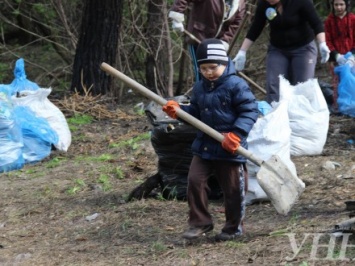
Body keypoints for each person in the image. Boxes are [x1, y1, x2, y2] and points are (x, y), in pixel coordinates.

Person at [162, 38, 259, 241]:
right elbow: (195, 114)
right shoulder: (200, 88)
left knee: (233, 190)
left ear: (224, 63)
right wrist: (179, 112)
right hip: (205, 146)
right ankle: (200, 223)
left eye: (213, 67)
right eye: (204, 68)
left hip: (230, 147)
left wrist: (237, 134)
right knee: (195, 181)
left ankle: (233, 228)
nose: (208, 72)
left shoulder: (236, 85)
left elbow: (250, 111)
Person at [233, 0, 330, 104]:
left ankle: (301, 115)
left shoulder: (301, 2)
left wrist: (322, 43)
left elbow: (316, 23)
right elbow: (256, 27)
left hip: (303, 48)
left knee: (302, 85)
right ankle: (276, 114)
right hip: (278, 49)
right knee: (274, 84)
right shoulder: (264, 4)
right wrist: (242, 51)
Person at [168, 0, 246, 82]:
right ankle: (200, 94)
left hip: (216, 45)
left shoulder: (240, 3)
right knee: (203, 76)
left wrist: (224, 41)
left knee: (219, 77)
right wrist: (177, 17)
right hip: (199, 39)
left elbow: (234, 25)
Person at [324, 0, 355, 65]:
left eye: (341, 4)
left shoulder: (353, 19)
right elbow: (327, 40)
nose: (338, 7)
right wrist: (336, 55)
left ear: (346, 5)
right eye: (336, 5)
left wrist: (352, 55)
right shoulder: (329, 20)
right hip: (335, 57)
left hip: (352, 56)